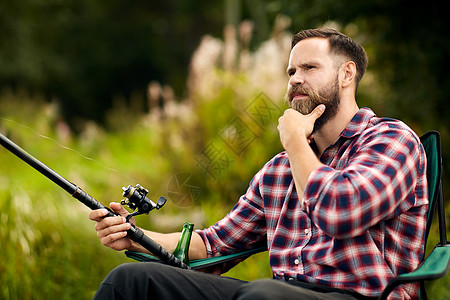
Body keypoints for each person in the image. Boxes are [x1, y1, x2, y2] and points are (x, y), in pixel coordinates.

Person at [89, 28, 428, 300]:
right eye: (291, 71)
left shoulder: (391, 141)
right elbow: (215, 245)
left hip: (361, 295)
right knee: (131, 281)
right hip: (274, 293)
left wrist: (295, 141)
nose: (295, 79)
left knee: (264, 293)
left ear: (346, 74)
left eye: (309, 68)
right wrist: (135, 236)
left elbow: (340, 212)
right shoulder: (279, 171)